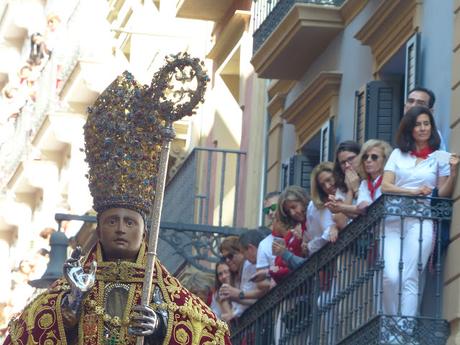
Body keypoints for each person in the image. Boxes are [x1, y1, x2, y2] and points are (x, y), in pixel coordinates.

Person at [2, 71, 231, 345]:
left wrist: (161, 327)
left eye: (130, 222)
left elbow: (212, 335)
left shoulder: (165, 294)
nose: (121, 228)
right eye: (112, 221)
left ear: (145, 231)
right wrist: (71, 305)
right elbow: (23, 335)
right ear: (99, 230)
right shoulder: (74, 286)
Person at [381, 105, 459, 316]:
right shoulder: (398, 154)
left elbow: (442, 192)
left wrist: (452, 173)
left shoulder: (439, 157)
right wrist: (413, 191)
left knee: (411, 277)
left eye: (427, 124)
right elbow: (385, 186)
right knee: (390, 276)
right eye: (418, 124)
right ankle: (392, 326)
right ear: (410, 129)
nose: (423, 128)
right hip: (393, 221)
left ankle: (403, 333)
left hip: (421, 221)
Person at [219, 236, 256, 321]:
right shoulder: (235, 273)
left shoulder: (248, 265)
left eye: (230, 256)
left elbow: (253, 299)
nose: (227, 260)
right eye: (224, 258)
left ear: (241, 252)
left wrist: (233, 314)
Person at [326, 141, 362, 227]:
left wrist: (356, 188)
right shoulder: (341, 188)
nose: (347, 165)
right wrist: (350, 191)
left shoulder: (371, 178)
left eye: (351, 159)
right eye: (343, 162)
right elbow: (341, 223)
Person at [356, 139, 392, 207]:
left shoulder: (390, 181)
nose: (368, 160)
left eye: (374, 157)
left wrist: (342, 207)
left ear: (385, 160)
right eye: (365, 157)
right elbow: (362, 207)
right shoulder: (364, 184)